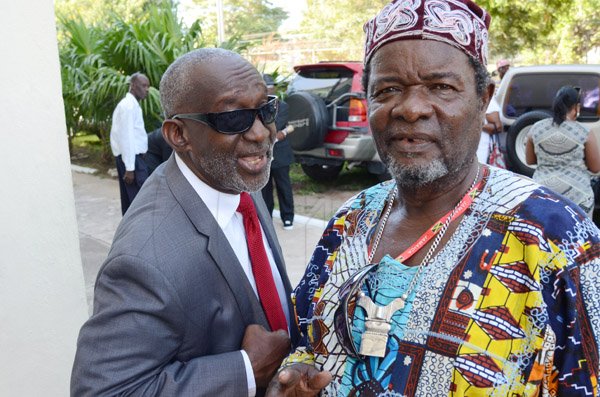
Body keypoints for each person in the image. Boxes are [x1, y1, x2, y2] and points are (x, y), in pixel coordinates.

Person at [267, 1, 600, 395]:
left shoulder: (555, 236)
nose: (411, 109)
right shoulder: (350, 221)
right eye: (388, 89)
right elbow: (305, 338)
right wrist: (290, 378)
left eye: (441, 87)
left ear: (482, 98)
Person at [71, 48, 298, 396]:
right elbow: (104, 390)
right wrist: (245, 370)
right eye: (232, 118)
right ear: (179, 135)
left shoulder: (232, 175)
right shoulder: (145, 258)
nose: (260, 133)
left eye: (265, 110)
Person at [526, 86, 600, 216]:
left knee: (545, 234)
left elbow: (530, 160)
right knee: (578, 235)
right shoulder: (584, 132)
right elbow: (595, 168)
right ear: (576, 107)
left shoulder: (536, 128)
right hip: (578, 197)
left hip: (543, 194)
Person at [110, 72, 151, 215]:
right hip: (132, 161)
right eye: (144, 85)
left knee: (131, 203)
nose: (147, 89)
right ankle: (137, 235)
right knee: (138, 204)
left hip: (133, 160)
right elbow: (126, 138)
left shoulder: (132, 105)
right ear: (133, 86)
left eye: (148, 86)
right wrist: (130, 168)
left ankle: (130, 235)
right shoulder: (128, 106)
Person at [261, 74, 295, 230]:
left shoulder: (283, 106)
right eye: (265, 88)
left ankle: (288, 217)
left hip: (280, 153)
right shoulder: (258, 108)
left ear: (273, 88)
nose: (268, 90)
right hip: (263, 154)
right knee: (264, 189)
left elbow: (276, 125)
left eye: (269, 87)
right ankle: (267, 217)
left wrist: (282, 132)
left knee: (283, 186)